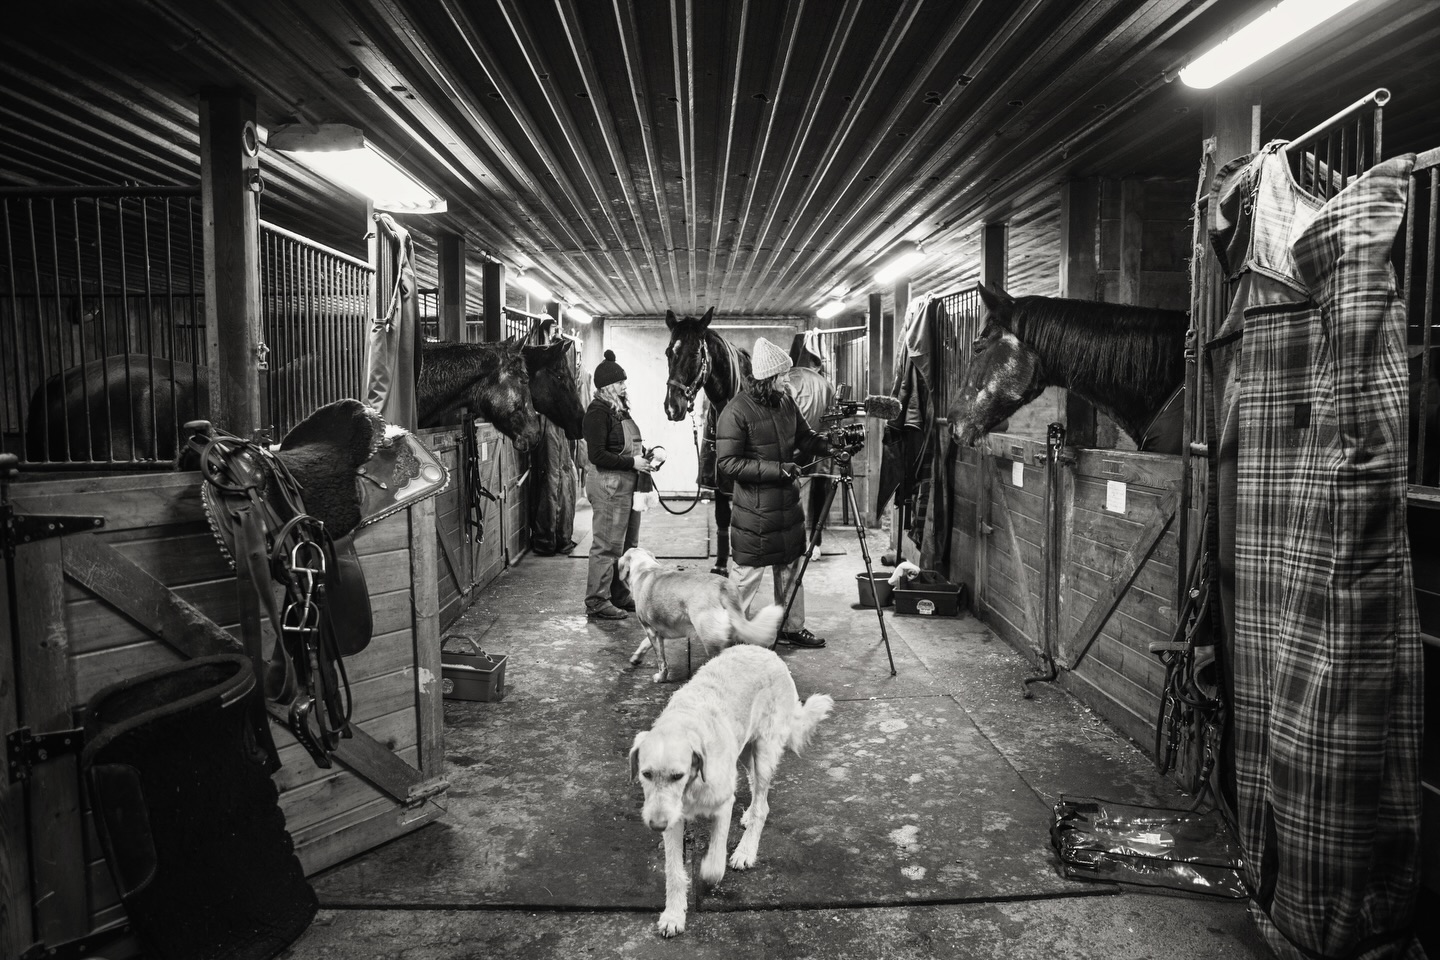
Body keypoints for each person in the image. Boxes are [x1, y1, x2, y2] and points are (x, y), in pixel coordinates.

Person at [716, 337, 836, 649]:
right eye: (783, 375)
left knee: (792, 570)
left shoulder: (786, 403)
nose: (788, 379)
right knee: (746, 577)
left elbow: (806, 438)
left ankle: (791, 628)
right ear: (769, 378)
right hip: (755, 514)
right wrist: (777, 469)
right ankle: (729, 634)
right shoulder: (736, 412)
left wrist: (832, 444)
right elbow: (728, 463)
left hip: (788, 507)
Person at [582, 349, 654, 620]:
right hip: (609, 485)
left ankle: (620, 595)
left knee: (627, 545)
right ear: (608, 386)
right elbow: (596, 455)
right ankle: (598, 600)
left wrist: (647, 456)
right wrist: (631, 463)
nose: (625, 386)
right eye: (621, 382)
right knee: (607, 546)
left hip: (627, 485)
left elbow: (628, 447)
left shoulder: (620, 410)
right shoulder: (597, 413)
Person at [787, 333, 836, 556]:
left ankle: (789, 540)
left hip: (791, 447)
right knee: (819, 492)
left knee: (786, 493)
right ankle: (815, 544)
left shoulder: (788, 379)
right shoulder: (827, 385)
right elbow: (833, 421)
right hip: (820, 448)